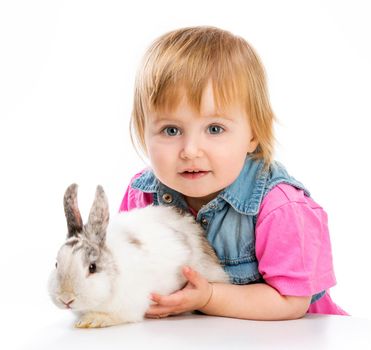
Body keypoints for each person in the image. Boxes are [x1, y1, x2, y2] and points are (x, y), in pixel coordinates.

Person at [119, 26, 348, 320]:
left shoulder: (280, 208)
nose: (190, 150)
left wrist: (210, 297)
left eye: (215, 129)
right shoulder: (143, 195)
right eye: (171, 130)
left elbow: (290, 302)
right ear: (143, 133)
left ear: (253, 134)